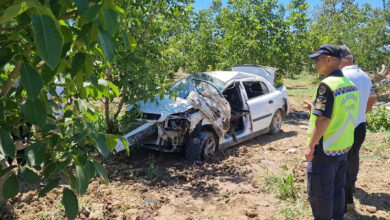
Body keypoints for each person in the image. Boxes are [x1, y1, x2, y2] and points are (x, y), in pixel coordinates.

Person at [306, 44, 359, 220]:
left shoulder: (326, 86)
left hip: (325, 150)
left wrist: (311, 146)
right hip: (343, 148)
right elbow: (341, 113)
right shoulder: (350, 85)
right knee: (338, 191)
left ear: (328, 60)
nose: (315, 64)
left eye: (317, 60)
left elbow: (323, 120)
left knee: (320, 195)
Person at [339, 45, 377, 211]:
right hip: (360, 125)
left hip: (344, 127)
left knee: (340, 162)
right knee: (353, 157)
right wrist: (363, 111)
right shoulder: (365, 76)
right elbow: (373, 97)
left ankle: (346, 201)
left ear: (340, 59)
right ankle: (351, 185)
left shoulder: (340, 76)